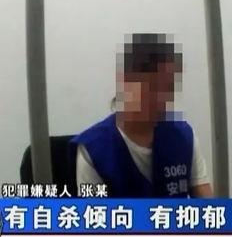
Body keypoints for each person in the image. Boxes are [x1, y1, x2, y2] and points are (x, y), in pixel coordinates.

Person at [70, 33, 213, 197]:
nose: (162, 98)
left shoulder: (183, 136)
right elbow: (94, 212)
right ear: (125, 82)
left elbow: (207, 203)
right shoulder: (93, 151)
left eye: (168, 88)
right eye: (152, 87)